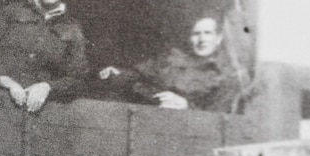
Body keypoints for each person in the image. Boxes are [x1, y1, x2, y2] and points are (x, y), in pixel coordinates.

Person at [0, 0, 88, 112]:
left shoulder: (73, 30)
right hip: (0, 104)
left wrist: (48, 86)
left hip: (39, 113)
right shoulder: (11, 13)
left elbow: (77, 79)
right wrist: (5, 81)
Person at [98, 13, 243, 112]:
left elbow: (217, 117)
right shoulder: (172, 58)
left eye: (208, 33)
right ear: (190, 37)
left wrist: (186, 106)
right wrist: (118, 73)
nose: (202, 39)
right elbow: (140, 74)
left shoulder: (228, 75)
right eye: (196, 33)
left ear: (218, 38)